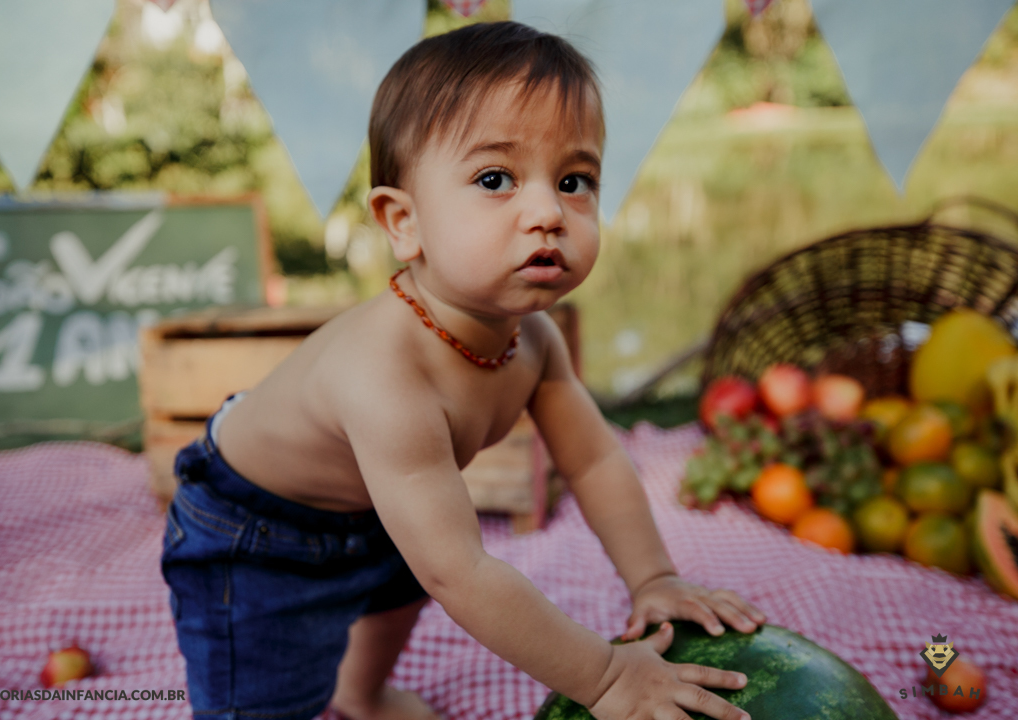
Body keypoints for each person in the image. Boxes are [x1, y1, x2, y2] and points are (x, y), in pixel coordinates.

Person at [161, 20, 765, 720]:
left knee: (396, 589)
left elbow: (596, 461)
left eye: (575, 181)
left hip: (373, 504)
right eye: (495, 179)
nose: (547, 212)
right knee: (265, 692)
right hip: (255, 530)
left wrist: (653, 577)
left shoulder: (534, 339)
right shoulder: (385, 377)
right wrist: (603, 678)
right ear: (403, 223)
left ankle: (361, 694)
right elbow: (461, 572)